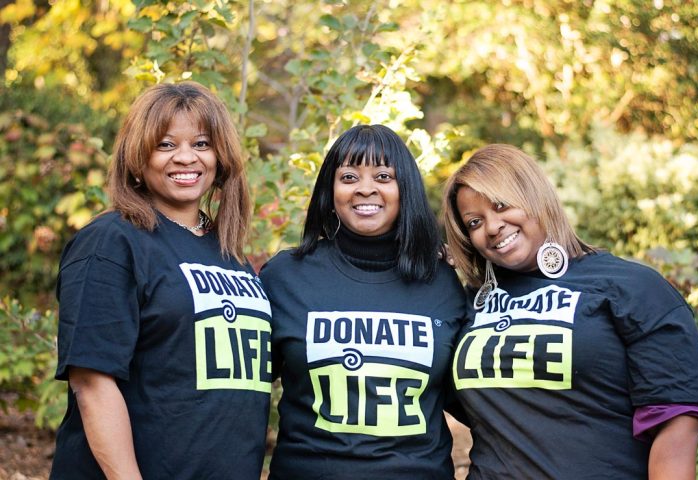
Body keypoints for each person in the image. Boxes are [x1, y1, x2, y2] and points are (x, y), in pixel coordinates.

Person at [442, 144, 698, 479]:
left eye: (501, 206)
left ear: (535, 197)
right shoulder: (467, 304)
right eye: (474, 222)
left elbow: (676, 426)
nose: (493, 226)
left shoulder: (632, 287)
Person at [50, 82, 273, 480]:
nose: (186, 158)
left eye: (202, 144)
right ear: (138, 157)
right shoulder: (111, 243)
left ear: (221, 157)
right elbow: (92, 384)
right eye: (166, 145)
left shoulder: (230, 256)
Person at [259, 124, 466, 479]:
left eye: (383, 175)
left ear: (405, 190)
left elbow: (475, 398)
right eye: (349, 176)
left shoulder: (441, 281)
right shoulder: (285, 277)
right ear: (331, 189)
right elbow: (240, 395)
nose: (365, 188)